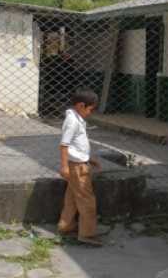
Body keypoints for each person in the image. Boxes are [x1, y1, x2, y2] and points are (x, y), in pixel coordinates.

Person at [57, 88, 104, 246]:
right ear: (81, 105)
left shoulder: (76, 119)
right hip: (77, 168)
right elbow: (64, 145)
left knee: (72, 198)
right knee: (87, 201)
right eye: (90, 109)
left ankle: (66, 226)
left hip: (79, 164)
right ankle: (87, 234)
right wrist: (64, 167)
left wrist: (89, 159)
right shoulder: (72, 122)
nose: (90, 113)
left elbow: (76, 146)